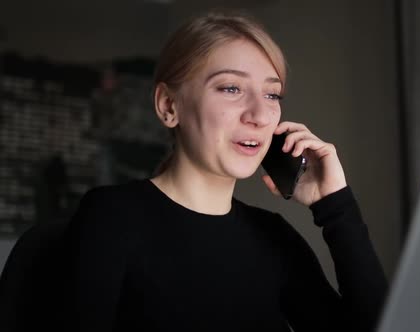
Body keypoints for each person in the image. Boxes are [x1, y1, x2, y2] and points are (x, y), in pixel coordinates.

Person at [63, 10, 387, 332]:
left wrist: (334, 205)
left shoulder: (273, 237)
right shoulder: (112, 216)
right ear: (169, 106)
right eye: (231, 88)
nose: (259, 115)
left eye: (272, 94)